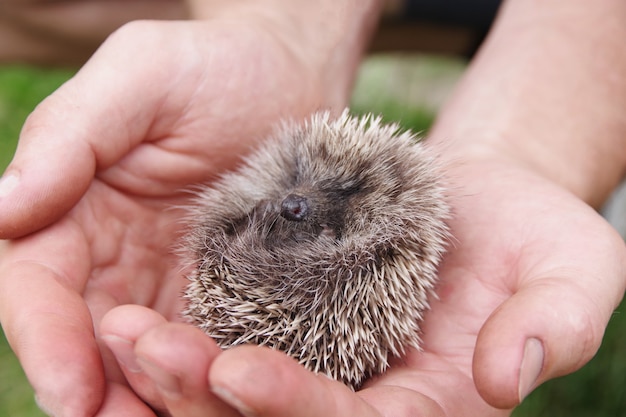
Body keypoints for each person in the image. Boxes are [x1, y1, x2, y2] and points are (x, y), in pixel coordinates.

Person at [1, 0, 625, 416]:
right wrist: (288, 31)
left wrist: (528, 148)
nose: (300, 201)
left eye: (343, 200)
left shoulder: (386, 242)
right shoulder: (280, 185)